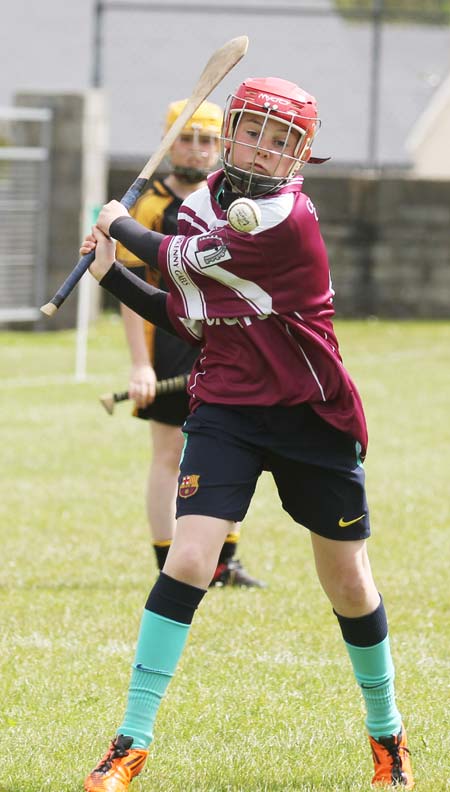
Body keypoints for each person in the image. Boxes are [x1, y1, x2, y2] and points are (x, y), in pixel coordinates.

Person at [81, 77, 414, 790]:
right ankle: (128, 745)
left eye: (282, 140)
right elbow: (188, 313)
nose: (263, 150)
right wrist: (111, 272)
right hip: (227, 405)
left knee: (348, 582)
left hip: (310, 413)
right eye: (254, 132)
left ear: (301, 156)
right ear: (231, 132)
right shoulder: (202, 207)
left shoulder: (285, 216)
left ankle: (387, 735)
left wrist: (121, 222)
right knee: (190, 558)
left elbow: (178, 260)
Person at [115, 98, 265, 588]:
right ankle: (167, 560)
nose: (197, 150)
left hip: (223, 338)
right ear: (170, 141)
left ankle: (226, 561)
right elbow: (128, 290)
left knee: (235, 445)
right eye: (187, 138)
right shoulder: (150, 204)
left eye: (207, 140)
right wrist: (141, 365)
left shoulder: (232, 203)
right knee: (169, 450)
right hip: (171, 340)